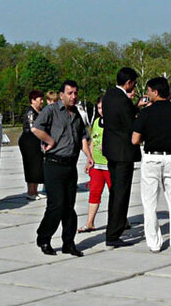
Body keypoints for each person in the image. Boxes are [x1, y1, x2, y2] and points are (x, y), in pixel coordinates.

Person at [31, 79, 93, 257]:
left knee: (69, 207)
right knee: (56, 205)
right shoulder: (51, 111)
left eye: (75, 93)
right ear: (61, 95)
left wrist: (88, 156)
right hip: (54, 163)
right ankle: (43, 237)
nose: (73, 97)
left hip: (70, 165)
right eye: (70, 93)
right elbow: (36, 129)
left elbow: (82, 137)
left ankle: (69, 242)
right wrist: (50, 140)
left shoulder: (76, 114)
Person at [132, 77, 171, 253]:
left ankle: (154, 243)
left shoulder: (146, 113)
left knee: (149, 203)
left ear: (155, 92)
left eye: (149, 91)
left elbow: (135, 139)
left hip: (152, 157)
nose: (148, 94)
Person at [101, 67, 140, 248]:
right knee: (121, 193)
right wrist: (139, 111)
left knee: (115, 190)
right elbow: (130, 123)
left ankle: (114, 227)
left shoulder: (109, 96)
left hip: (111, 151)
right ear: (129, 83)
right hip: (124, 152)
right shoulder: (123, 101)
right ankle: (114, 233)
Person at [80, 98, 110, 233]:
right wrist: (89, 159)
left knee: (115, 194)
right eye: (98, 108)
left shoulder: (114, 122)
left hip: (110, 165)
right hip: (97, 165)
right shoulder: (97, 122)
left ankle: (122, 220)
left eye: (103, 107)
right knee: (94, 192)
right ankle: (90, 222)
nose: (101, 110)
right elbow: (93, 141)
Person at [19, 90, 47, 199]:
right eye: (40, 99)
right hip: (29, 141)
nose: (42, 102)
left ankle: (35, 191)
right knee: (31, 166)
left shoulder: (39, 111)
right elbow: (33, 128)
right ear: (33, 100)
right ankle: (30, 192)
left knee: (37, 166)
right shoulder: (30, 112)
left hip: (37, 141)